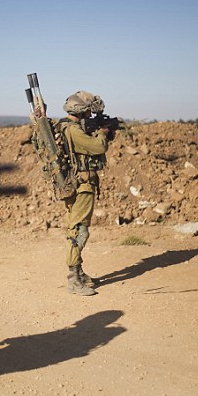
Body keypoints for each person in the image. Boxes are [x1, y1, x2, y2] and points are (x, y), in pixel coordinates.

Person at [58, 91, 111, 296]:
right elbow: (97, 147)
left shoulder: (67, 127)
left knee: (77, 227)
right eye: (88, 110)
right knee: (79, 230)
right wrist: (102, 133)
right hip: (82, 186)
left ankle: (78, 273)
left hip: (76, 185)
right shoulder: (73, 131)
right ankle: (73, 279)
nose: (90, 113)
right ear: (81, 110)